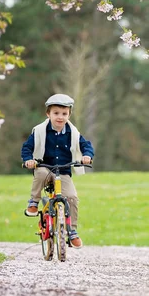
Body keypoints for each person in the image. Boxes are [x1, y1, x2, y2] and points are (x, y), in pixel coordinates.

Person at [21, 93, 94, 249]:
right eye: (56, 113)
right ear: (48, 114)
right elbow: (27, 147)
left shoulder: (73, 133)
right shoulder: (40, 131)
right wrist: (28, 159)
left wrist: (87, 155)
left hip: (64, 171)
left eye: (64, 114)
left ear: (69, 115)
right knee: (39, 173)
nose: (60, 117)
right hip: (45, 168)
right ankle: (34, 202)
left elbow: (86, 145)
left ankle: (72, 231)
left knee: (72, 197)